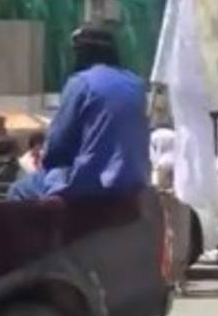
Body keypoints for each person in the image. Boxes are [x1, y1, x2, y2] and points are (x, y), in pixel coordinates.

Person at [10, 25, 150, 201]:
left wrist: (48, 162)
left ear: (83, 53)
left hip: (88, 183)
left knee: (19, 190)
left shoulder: (81, 82)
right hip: (135, 181)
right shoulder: (136, 84)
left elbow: (58, 143)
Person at [150, 125, 192, 294]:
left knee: (170, 242)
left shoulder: (164, 163)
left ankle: (172, 280)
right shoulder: (181, 160)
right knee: (181, 242)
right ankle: (179, 280)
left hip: (169, 208)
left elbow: (161, 188)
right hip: (182, 206)